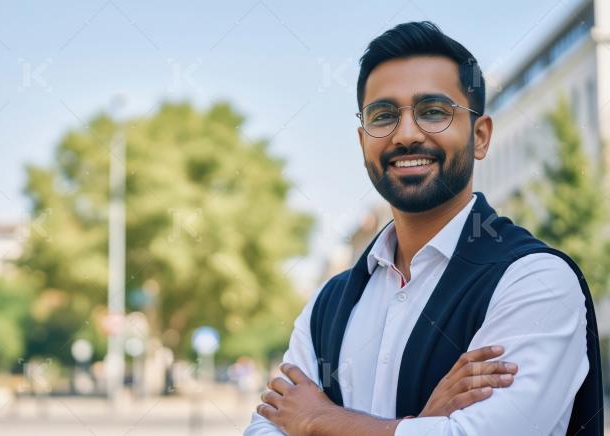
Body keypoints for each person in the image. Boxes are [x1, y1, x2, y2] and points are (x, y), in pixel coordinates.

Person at [244, 21, 602, 436]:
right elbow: (264, 429)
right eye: (384, 116)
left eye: (433, 112)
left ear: (480, 136)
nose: (407, 134)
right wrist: (422, 425)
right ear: (363, 143)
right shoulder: (328, 302)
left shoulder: (535, 280)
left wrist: (318, 420)